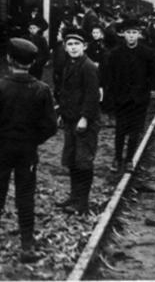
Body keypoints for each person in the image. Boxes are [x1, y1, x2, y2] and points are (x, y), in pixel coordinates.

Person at [0, 38, 58, 262]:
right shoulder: (42, 89)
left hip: (1, 149)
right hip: (27, 151)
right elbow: (51, 126)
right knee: (25, 197)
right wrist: (33, 141)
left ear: (9, 59)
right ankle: (27, 248)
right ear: (32, 62)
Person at [102, 19, 155, 174]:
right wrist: (111, 96)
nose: (131, 36)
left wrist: (150, 89)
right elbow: (109, 76)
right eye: (128, 33)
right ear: (123, 34)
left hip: (139, 99)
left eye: (134, 33)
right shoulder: (115, 53)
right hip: (121, 98)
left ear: (139, 34)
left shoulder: (147, 53)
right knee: (120, 130)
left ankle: (129, 160)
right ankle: (117, 158)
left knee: (135, 131)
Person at [55, 28, 101, 215]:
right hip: (71, 119)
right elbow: (66, 93)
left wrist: (85, 118)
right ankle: (74, 197)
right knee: (73, 160)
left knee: (83, 161)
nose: (73, 47)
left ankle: (82, 203)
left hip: (85, 122)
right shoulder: (70, 64)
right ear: (65, 48)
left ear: (84, 46)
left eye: (77, 44)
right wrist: (62, 113)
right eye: (70, 44)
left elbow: (92, 96)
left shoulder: (88, 67)